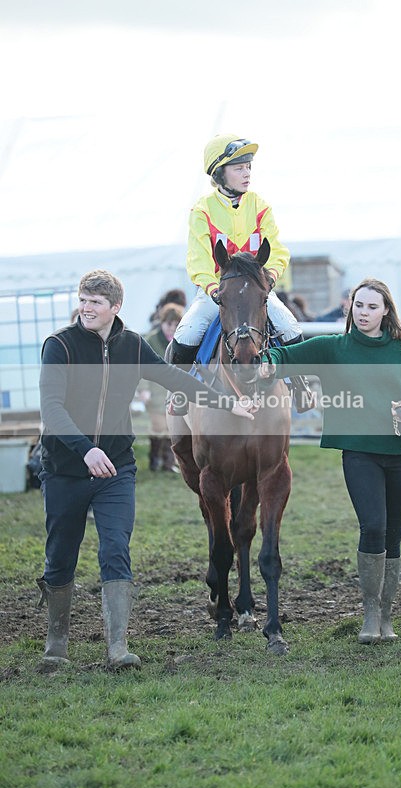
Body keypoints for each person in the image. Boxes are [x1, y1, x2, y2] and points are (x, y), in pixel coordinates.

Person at [37, 270, 255, 671]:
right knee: (60, 556)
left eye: (95, 302)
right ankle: (56, 646)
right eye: (83, 300)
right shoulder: (60, 346)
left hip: (117, 467)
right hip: (66, 468)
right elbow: (52, 408)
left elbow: (175, 378)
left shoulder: (131, 345)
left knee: (116, 550)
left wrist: (228, 403)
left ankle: (118, 648)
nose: (86, 307)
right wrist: (85, 450)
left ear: (115, 307)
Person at [259, 277, 401, 644]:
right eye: (358, 305)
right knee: (374, 527)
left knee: (393, 538)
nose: (363, 313)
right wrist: (267, 362)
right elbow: (284, 356)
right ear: (349, 307)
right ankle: (369, 614)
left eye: (371, 307)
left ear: (385, 312)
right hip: (360, 454)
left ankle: (386, 615)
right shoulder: (334, 348)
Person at [169, 134, 313, 412]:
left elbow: (279, 251)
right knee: (186, 333)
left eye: (249, 167)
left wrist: (269, 277)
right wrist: (213, 289)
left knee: (290, 326)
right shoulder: (202, 211)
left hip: (258, 289)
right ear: (219, 173)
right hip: (218, 291)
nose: (247, 173)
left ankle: (301, 386)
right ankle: (178, 392)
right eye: (239, 168)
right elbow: (198, 260)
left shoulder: (260, 206)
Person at [141, 303, 185, 472]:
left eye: (175, 325)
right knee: (158, 426)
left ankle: (168, 463)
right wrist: (143, 388)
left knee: (171, 427)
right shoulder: (151, 340)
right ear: (162, 322)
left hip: (174, 391)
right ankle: (154, 458)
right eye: (169, 324)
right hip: (155, 390)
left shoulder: (182, 340)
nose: (171, 329)